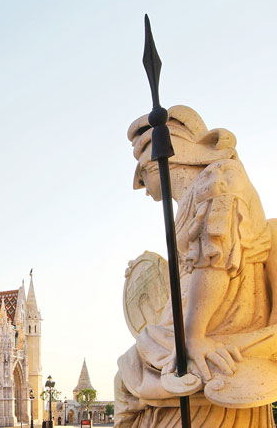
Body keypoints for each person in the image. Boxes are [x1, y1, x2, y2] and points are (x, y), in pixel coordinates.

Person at [115, 105, 276, 428]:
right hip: (190, 333)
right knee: (126, 376)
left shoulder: (218, 180)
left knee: (131, 375)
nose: (140, 186)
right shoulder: (196, 196)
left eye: (141, 172)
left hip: (209, 339)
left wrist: (195, 336)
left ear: (160, 160)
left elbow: (214, 260)